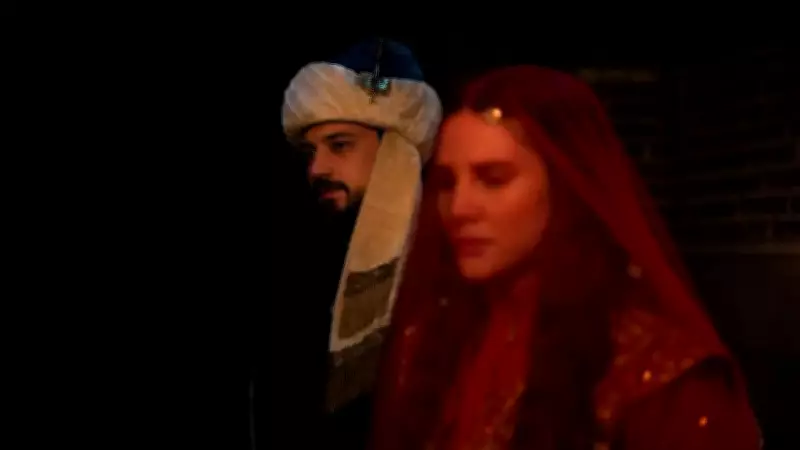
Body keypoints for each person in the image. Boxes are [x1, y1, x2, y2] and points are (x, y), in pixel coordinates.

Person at [369, 65, 762, 450]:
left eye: (493, 179)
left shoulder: (655, 370)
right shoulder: (434, 339)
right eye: (447, 183)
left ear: (563, 188)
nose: (459, 208)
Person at [254, 38, 441, 449]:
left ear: (395, 149)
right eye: (310, 153)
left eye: (340, 145)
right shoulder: (301, 266)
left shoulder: (451, 265)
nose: (317, 169)